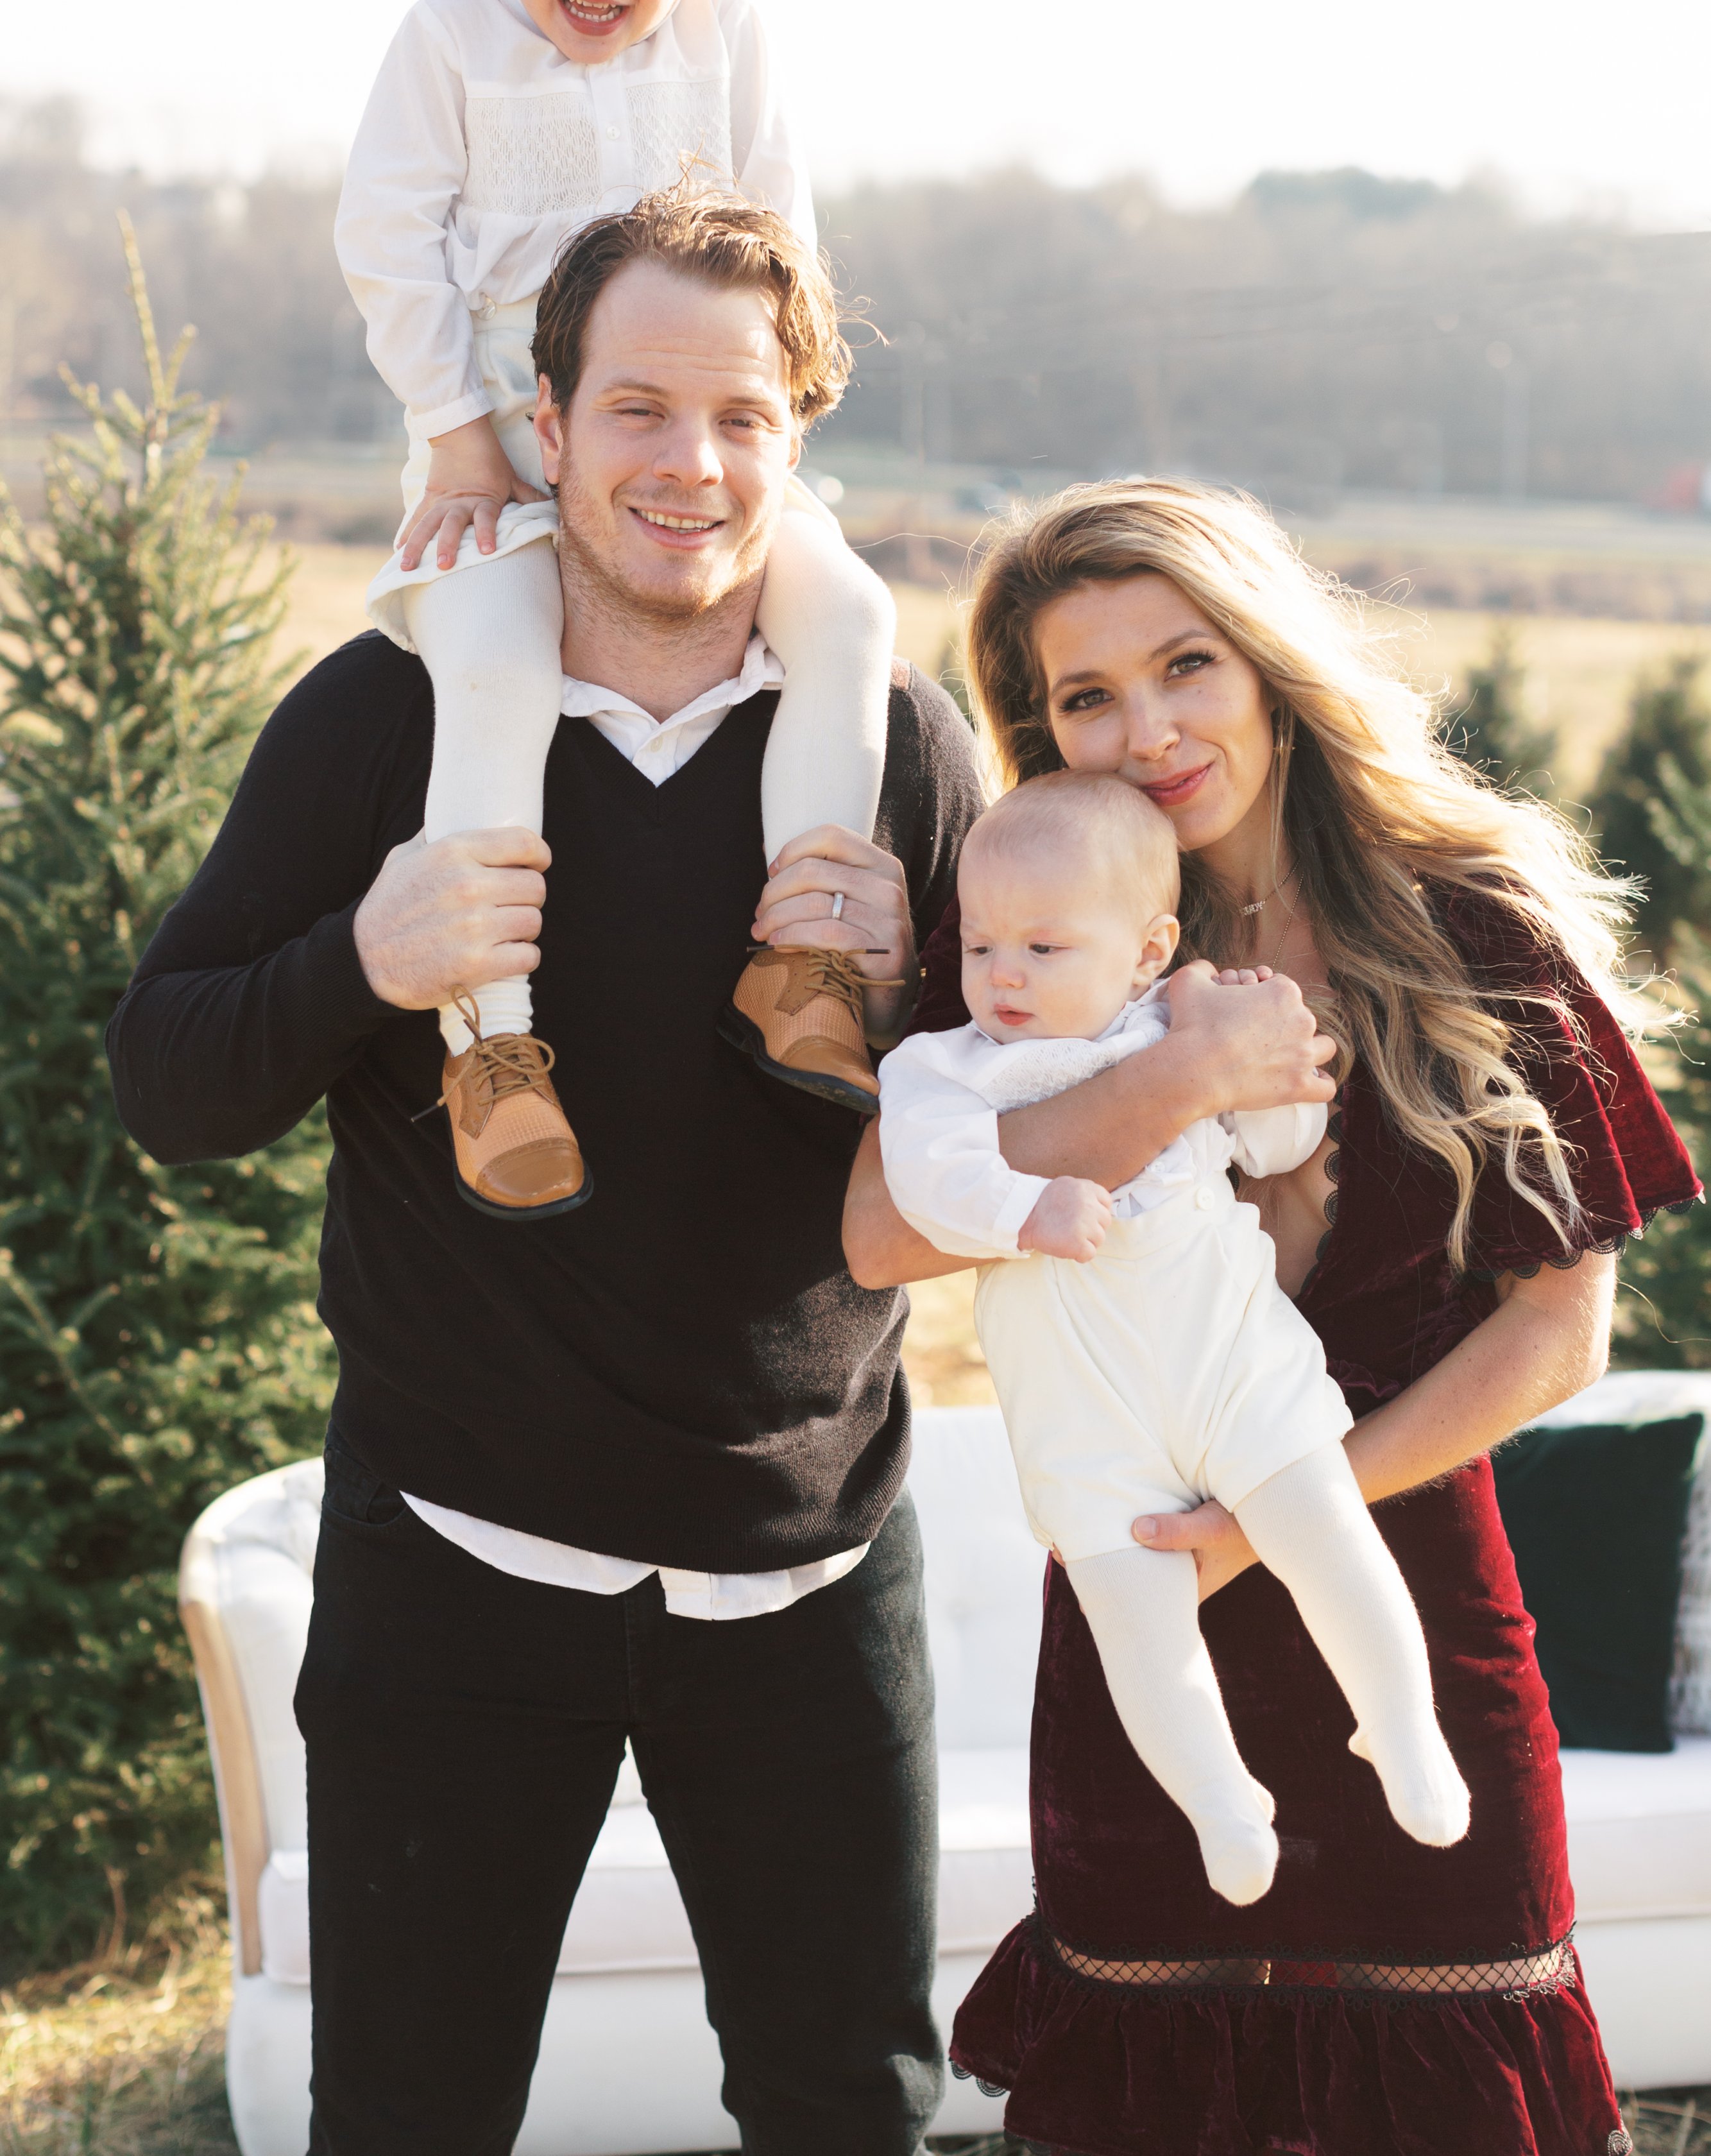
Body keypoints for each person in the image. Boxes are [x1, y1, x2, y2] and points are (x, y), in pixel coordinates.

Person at [106, 191, 982, 2156]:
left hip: (810, 1559)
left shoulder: (899, 746)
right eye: (640, 409)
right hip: (459, 1559)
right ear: (550, 418)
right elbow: (167, 1080)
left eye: (743, 416)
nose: (690, 463)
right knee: (409, 2116)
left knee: (849, 2108)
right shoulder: (390, 717)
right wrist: (366, 960)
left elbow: (977, 1128)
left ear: (800, 430)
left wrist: (918, 983)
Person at [843, 477, 1699, 2156]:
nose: (1147, 727)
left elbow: (1555, 1331)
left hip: (1392, 1576)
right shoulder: (1033, 937)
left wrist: (1267, 1513)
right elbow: (880, 1231)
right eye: (1085, 696)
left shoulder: (1468, 928)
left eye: (1185, 665)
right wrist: (1168, 1080)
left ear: (1265, 664)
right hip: (1141, 1602)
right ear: (1040, 731)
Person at [335, 0, 896, 1215]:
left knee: (847, 617)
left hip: (695, 465)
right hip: (503, 473)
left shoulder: (728, 38)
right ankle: (491, 1044)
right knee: (501, 669)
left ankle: (803, 962)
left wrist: (764, 424)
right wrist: (456, 432)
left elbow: (780, 238)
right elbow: (387, 239)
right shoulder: (449, 39)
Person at [876, 771, 1468, 1908]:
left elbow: (1282, 1136)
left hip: (1237, 1375)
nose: (1002, 974)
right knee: (1139, 1636)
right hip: (1088, 1425)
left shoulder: (1175, 1025)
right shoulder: (943, 1071)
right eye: (984, 945)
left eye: (1045, 950)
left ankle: (1400, 1726)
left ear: (1147, 951)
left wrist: (1259, 1044)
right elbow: (926, 1182)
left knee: (1335, 1545)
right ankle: (1223, 1804)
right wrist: (1022, 1209)